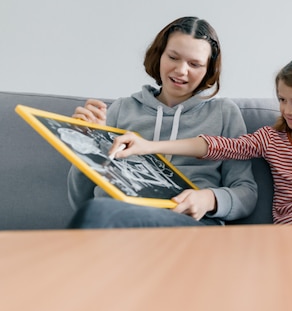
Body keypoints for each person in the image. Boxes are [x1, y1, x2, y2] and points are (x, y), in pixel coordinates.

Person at [110, 54, 292, 225]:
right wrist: (151, 146)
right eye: (282, 100)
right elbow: (218, 146)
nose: (287, 110)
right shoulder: (270, 139)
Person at [67, 16, 257, 228]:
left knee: (100, 213)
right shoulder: (122, 109)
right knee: (98, 211)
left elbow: (246, 192)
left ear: (208, 70)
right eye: (173, 57)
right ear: (159, 56)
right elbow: (80, 201)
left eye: (195, 64)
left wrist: (209, 199)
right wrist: (87, 147)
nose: (181, 70)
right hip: (117, 218)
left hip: (187, 222)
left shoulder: (223, 113)